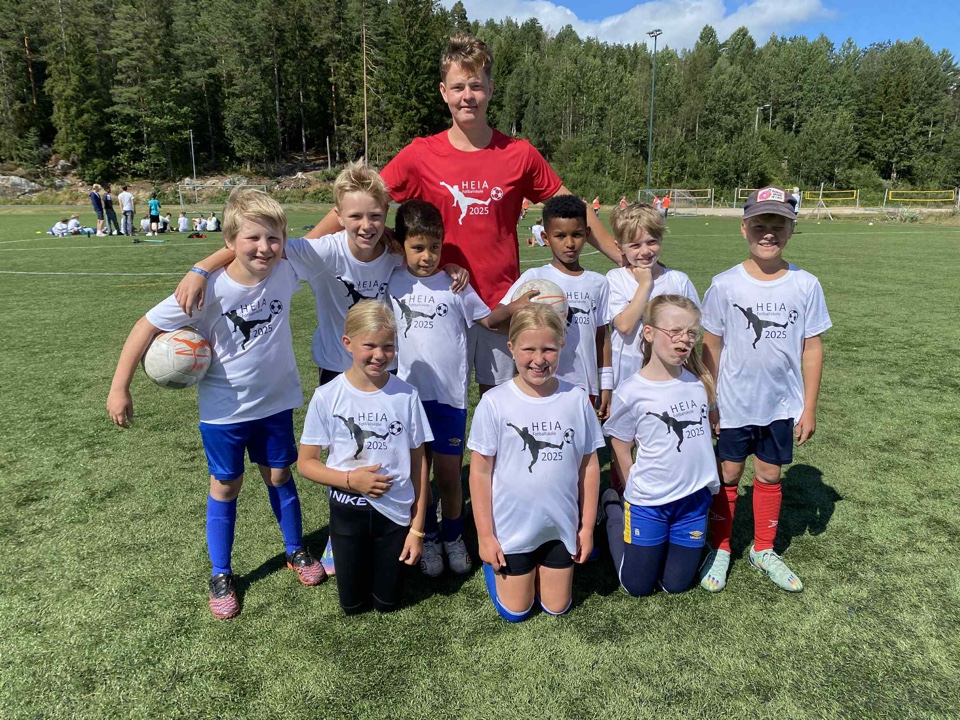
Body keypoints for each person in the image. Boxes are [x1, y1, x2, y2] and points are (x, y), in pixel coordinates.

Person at [293, 34, 620, 397]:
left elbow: (575, 208)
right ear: (443, 92)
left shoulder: (520, 154)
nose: (468, 96)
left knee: (504, 401)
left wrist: (623, 259)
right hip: (437, 301)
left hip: (500, 305)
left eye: (476, 86)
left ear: (490, 90)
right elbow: (362, 199)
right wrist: (303, 251)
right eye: (458, 87)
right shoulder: (420, 153)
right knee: (432, 404)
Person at [106, 189, 326, 620]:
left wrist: (201, 263)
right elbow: (145, 326)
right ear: (230, 241)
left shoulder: (286, 269)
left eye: (273, 238)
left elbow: (327, 228)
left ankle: (296, 549)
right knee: (226, 485)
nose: (264, 248)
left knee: (280, 475)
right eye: (252, 239)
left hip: (276, 403)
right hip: (224, 412)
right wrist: (119, 387)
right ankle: (221, 573)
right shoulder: (207, 290)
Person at [697, 186, 832, 593]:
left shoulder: (805, 284)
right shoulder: (725, 284)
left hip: (780, 404)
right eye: (760, 224)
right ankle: (721, 547)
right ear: (744, 228)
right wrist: (711, 401)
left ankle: (763, 548)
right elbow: (711, 346)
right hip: (734, 402)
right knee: (729, 472)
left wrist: (808, 407)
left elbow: (812, 347)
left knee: (770, 473)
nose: (768, 233)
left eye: (778, 225)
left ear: (791, 229)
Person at [387, 199, 513, 578]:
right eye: (417, 247)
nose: (427, 256)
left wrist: (519, 307)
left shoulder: (456, 285)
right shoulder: (390, 282)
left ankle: (454, 536)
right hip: (408, 401)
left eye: (434, 247)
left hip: (449, 400)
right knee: (418, 476)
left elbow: (488, 320)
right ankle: (426, 536)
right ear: (401, 245)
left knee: (447, 475)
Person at [468, 305, 603, 622]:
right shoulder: (495, 402)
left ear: (562, 346)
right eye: (529, 349)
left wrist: (586, 528)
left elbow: (589, 466)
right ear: (511, 347)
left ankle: (545, 564)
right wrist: (485, 536)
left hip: (560, 526)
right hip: (512, 529)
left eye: (548, 349)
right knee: (517, 611)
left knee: (557, 607)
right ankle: (498, 565)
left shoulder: (576, 399)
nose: (539, 360)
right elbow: (480, 471)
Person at [297, 300, 431, 614]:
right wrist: (350, 480)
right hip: (347, 512)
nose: (379, 355)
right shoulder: (327, 396)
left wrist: (417, 530)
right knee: (352, 605)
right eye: (369, 345)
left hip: (395, 514)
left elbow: (419, 463)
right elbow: (306, 463)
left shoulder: (407, 395)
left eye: (388, 346)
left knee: (388, 604)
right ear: (348, 343)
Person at [600, 294, 719, 596]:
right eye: (674, 331)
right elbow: (620, 444)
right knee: (637, 587)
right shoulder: (631, 391)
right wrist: (631, 482)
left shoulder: (698, 383)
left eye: (691, 333)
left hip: (693, 502)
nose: (684, 339)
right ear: (649, 333)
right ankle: (612, 509)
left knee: (674, 586)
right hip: (649, 503)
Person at [605, 203, 698, 492]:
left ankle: (665, 491)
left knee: (662, 434)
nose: (645, 251)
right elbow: (624, 325)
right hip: (627, 374)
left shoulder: (678, 280)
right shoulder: (615, 279)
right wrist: (644, 284)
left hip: (670, 378)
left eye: (652, 241)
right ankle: (623, 498)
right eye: (635, 245)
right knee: (624, 440)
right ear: (620, 247)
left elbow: (694, 330)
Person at [499, 195, 612, 420]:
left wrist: (606, 384)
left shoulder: (598, 283)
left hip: (584, 383)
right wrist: (514, 308)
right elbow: (495, 319)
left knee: (578, 437)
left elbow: (602, 337)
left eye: (577, 235)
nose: (569, 243)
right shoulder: (534, 277)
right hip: (539, 381)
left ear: (587, 234)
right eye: (560, 236)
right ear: (545, 237)